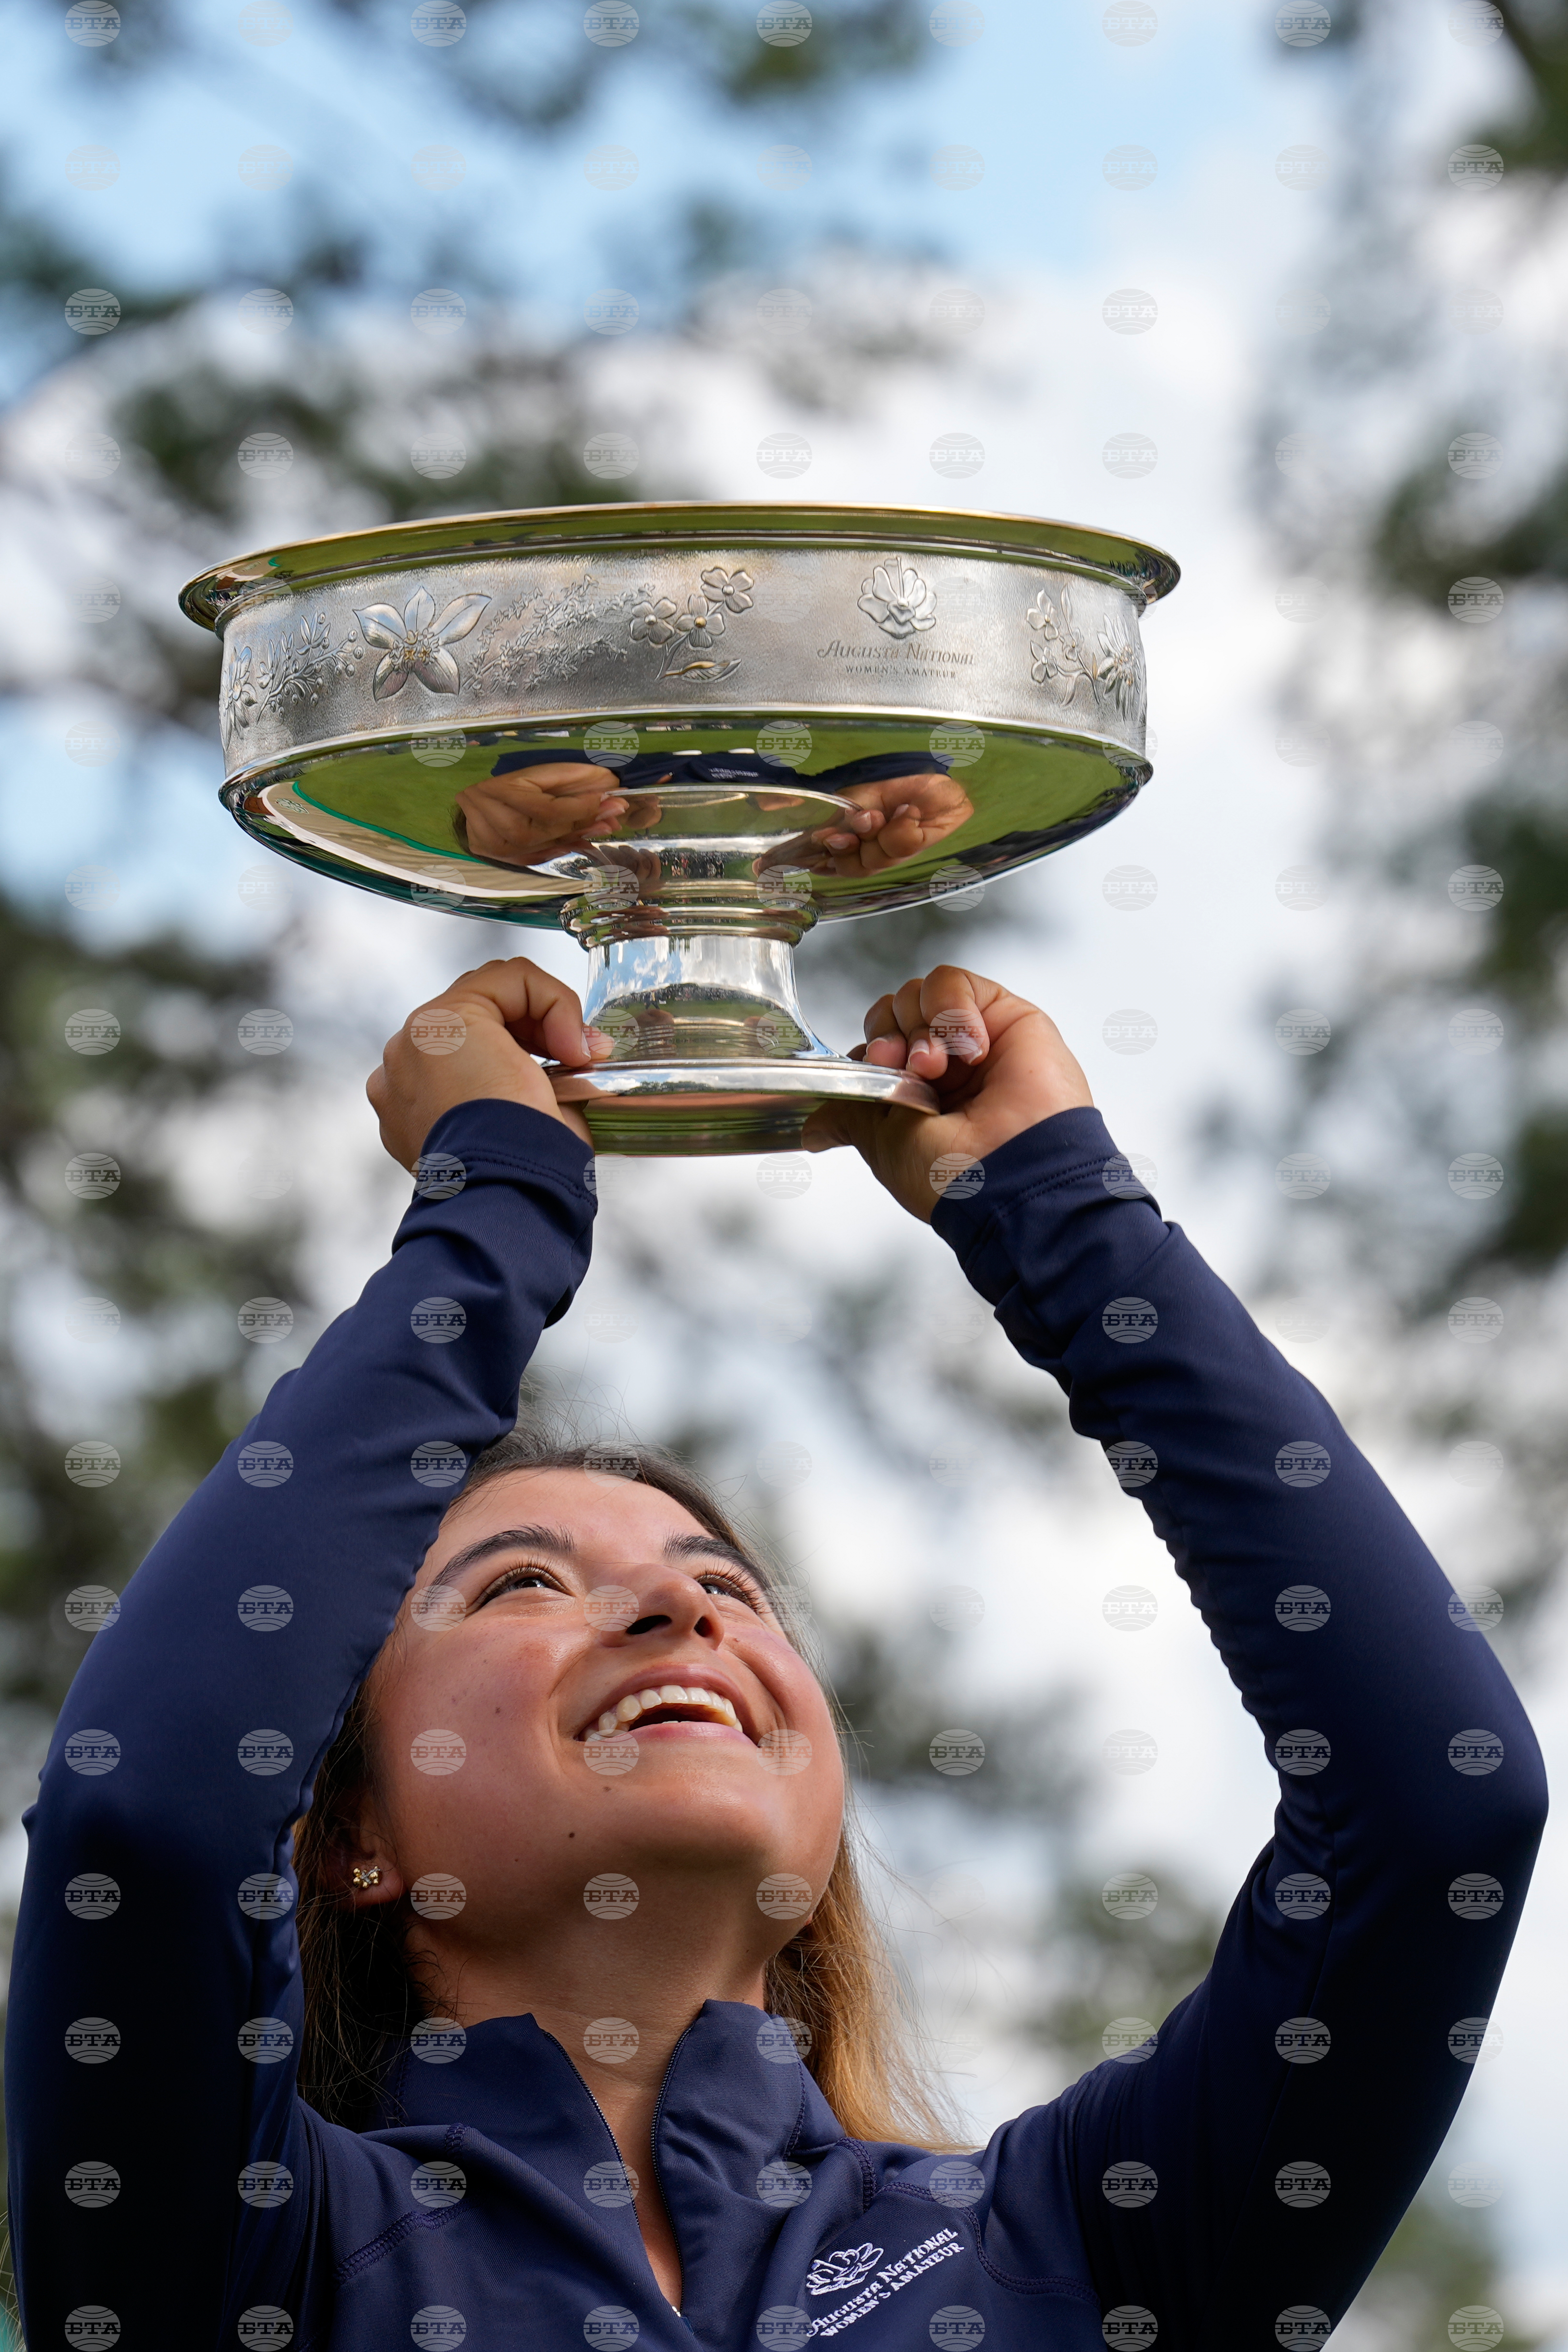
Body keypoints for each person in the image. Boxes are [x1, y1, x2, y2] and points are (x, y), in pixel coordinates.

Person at [7, 956, 1545, 2352]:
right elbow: (151, 1819)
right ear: (344, 1833)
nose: (683, 1616)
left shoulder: (1085, 2243)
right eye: (521, 1583)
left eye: (723, 1587)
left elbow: (1434, 1803)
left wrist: (1058, 1216)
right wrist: (490, 1218)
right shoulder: (256, 2256)